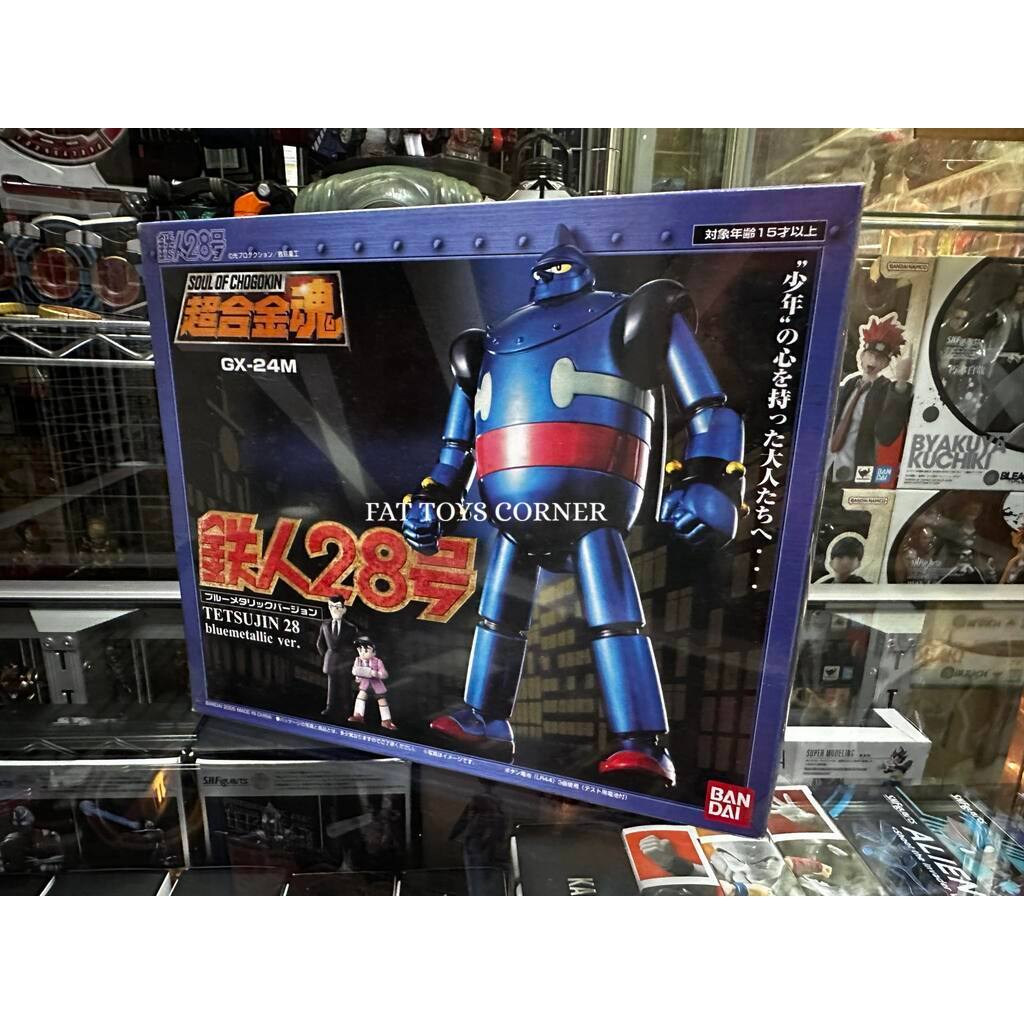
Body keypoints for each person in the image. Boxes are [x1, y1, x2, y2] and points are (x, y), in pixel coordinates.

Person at [826, 312, 912, 483]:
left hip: (855, 468)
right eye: (870, 354)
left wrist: (901, 384)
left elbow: (886, 434)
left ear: (886, 364)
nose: (873, 361)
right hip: (826, 462)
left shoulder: (886, 390)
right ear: (862, 355)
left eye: (880, 358)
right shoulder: (849, 385)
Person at [348, 636, 395, 730]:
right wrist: (361, 674)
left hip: (376, 685)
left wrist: (377, 674)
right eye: (360, 650)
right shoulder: (358, 660)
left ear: (374, 652)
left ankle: (386, 720)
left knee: (381, 700)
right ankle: (358, 715)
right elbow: (355, 671)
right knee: (361, 697)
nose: (362, 653)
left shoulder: (378, 661)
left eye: (366, 651)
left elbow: (384, 674)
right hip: (365, 684)